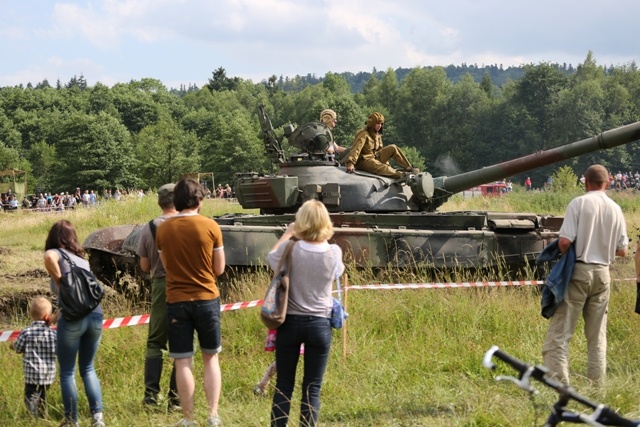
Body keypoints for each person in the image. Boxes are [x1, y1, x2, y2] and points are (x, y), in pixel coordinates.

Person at [542, 165, 628, 385]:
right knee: (597, 337)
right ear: (607, 183)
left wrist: (565, 255)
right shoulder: (616, 208)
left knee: (560, 334)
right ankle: (596, 387)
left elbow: (564, 241)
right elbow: (622, 250)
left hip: (579, 271)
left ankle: (559, 386)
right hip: (603, 274)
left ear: (585, 182)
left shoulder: (579, 203)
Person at [267, 199, 345, 427]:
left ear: (299, 221)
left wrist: (287, 234)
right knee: (313, 386)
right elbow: (337, 272)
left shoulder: (290, 249)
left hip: (289, 322)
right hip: (320, 324)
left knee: (284, 385)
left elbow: (271, 259)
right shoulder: (334, 252)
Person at [156, 178, 226, 427]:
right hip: (207, 298)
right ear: (200, 199)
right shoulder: (211, 226)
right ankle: (213, 415)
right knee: (211, 358)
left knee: (183, 361)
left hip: (177, 301)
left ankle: (187, 418)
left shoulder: (163, 229)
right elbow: (219, 269)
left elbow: (166, 267)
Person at [43, 220, 105, 427]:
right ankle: (98, 418)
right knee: (88, 368)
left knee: (67, 371)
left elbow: (48, 256)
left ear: (53, 238)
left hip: (73, 321)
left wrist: (60, 280)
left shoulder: (56, 253)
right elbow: (80, 298)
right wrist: (54, 316)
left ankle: (71, 420)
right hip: (95, 316)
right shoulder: (81, 260)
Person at [136, 184, 180, 412]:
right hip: (186, 285)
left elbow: (144, 265)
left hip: (161, 285)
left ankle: (151, 397)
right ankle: (177, 400)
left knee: (155, 341)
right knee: (183, 344)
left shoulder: (149, 227)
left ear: (159, 202)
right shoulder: (187, 224)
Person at [11, 296, 57, 418]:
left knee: (30, 395)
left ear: (31, 315)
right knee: (43, 396)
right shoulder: (53, 333)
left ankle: (32, 414)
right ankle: (42, 415)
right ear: (48, 316)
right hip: (47, 374)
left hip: (31, 374)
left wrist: (13, 345)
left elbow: (18, 348)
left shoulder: (26, 332)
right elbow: (58, 350)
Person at [344, 112, 414, 179]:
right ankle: (401, 175)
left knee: (393, 147)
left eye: (381, 124)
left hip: (375, 157)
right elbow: (356, 149)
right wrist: (351, 163)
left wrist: (387, 163)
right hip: (364, 160)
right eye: (377, 123)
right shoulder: (363, 134)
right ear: (372, 123)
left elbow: (380, 151)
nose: (380, 126)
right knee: (382, 167)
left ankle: (409, 168)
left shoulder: (377, 135)